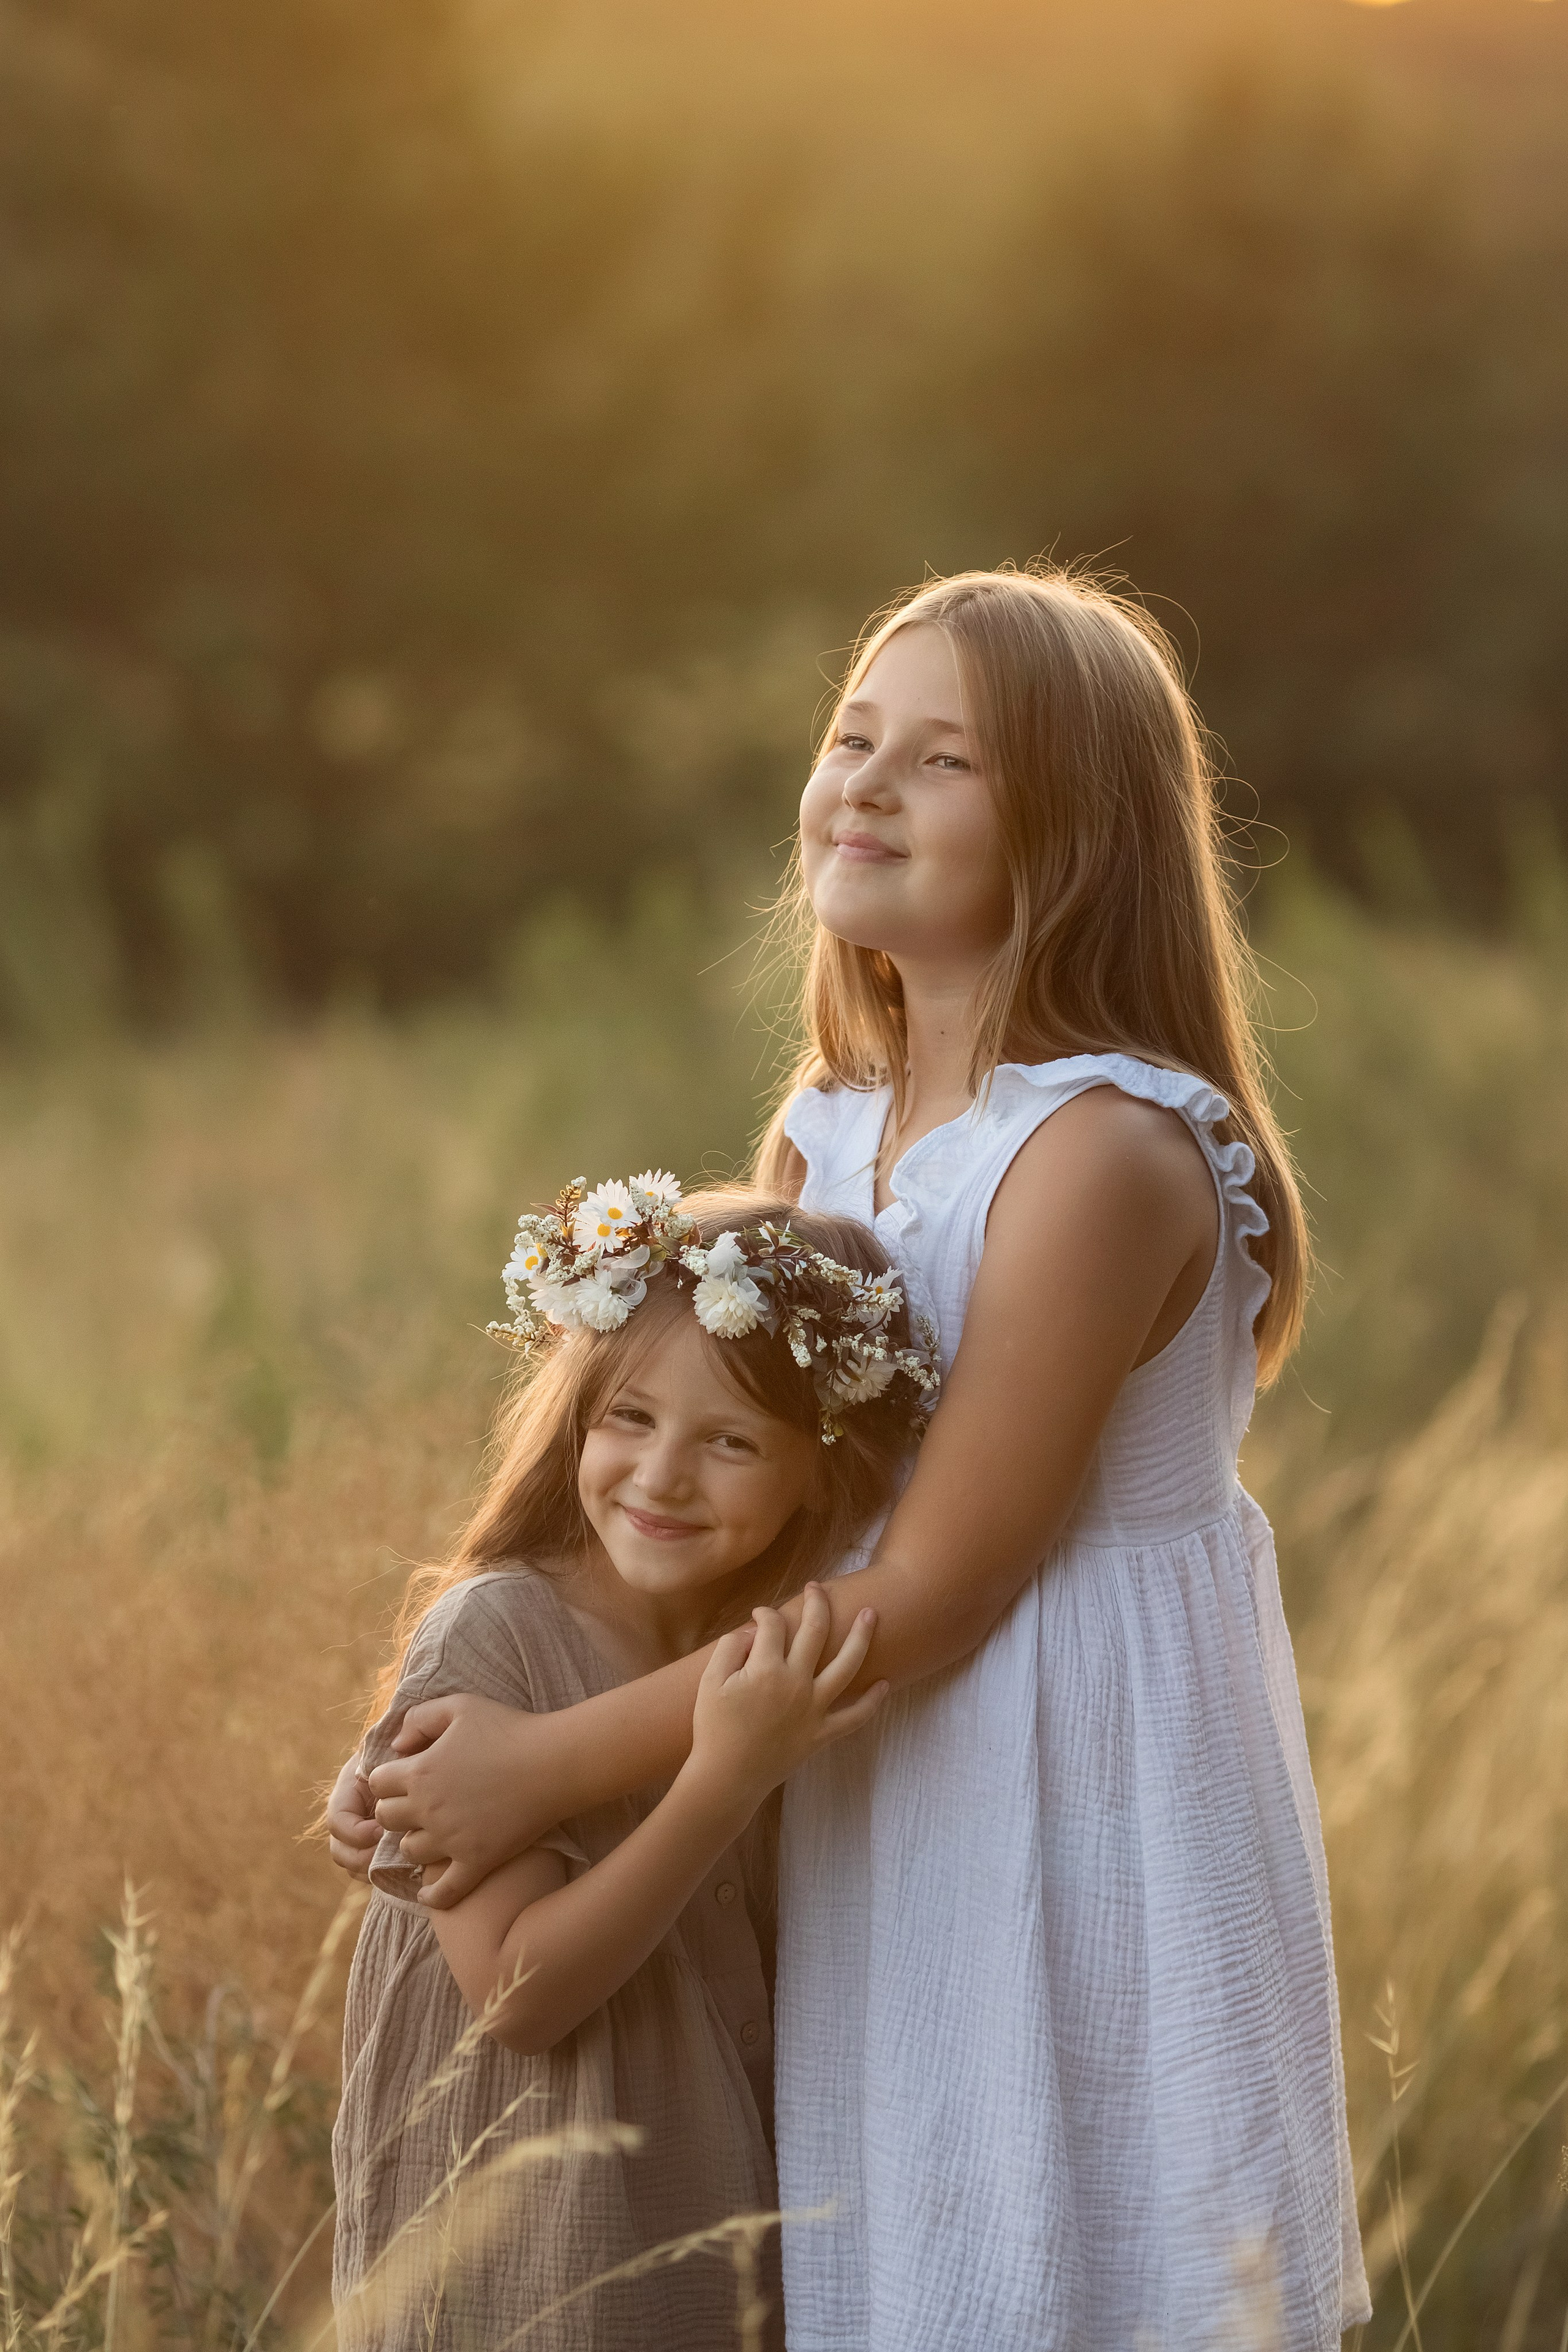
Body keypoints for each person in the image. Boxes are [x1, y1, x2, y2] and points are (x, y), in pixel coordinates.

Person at [331, 566, 1372, 2350]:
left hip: (1073, 1768)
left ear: (1076, 827)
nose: (867, 784)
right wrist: (448, 1762)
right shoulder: (827, 1132)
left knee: (1088, 2253)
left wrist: (545, 1768)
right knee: (913, 2267)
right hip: (848, 1744)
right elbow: (757, 1516)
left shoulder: (1106, 1152)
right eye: (851, 739)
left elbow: (943, 1587)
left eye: (944, 759)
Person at [331, 1176, 933, 2352]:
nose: (662, 1479)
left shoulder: (752, 1646)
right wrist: (721, 1779)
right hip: (532, 2251)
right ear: (574, 1416)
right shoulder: (501, 1633)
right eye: (629, 1420)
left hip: (703, 2222)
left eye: (730, 1442)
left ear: (821, 1471)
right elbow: (517, 1997)